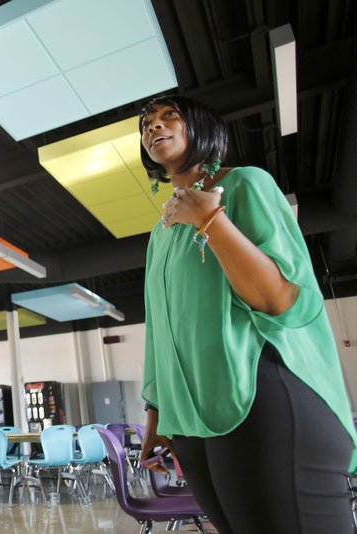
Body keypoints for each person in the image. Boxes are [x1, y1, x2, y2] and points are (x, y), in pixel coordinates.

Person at [137, 95, 357, 533]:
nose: (154, 128)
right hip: (191, 418)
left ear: (201, 127)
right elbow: (160, 331)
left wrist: (211, 218)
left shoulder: (244, 184)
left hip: (261, 391)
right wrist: (157, 416)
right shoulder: (160, 234)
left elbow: (279, 298)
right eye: (146, 125)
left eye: (168, 117)